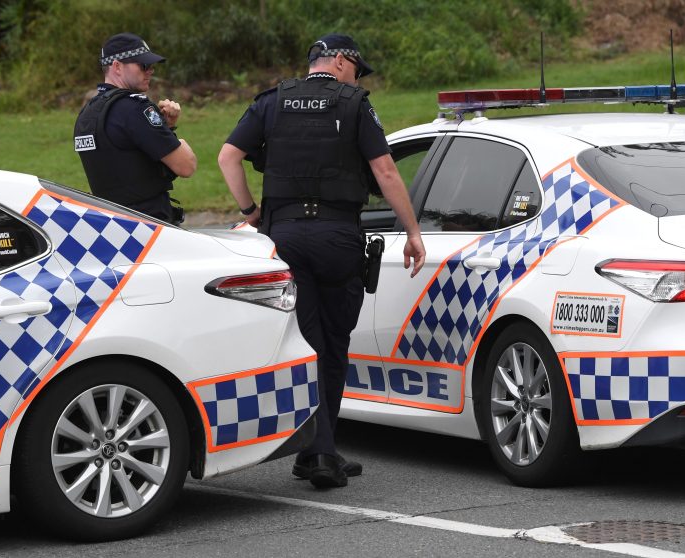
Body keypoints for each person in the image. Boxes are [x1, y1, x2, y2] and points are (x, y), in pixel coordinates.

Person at [217, 34, 426, 489]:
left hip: (285, 236)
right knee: (333, 343)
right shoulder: (354, 103)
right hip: (336, 236)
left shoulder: (272, 102)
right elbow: (385, 171)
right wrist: (412, 232)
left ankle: (315, 450)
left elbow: (228, 157)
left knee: (305, 341)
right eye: (357, 68)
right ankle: (323, 454)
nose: (358, 77)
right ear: (340, 61)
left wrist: (250, 213)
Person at [74, 32, 196, 224]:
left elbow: (124, 163)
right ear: (117, 66)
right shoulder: (135, 109)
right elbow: (186, 166)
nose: (151, 71)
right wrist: (178, 141)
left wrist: (166, 126)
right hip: (149, 229)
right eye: (143, 65)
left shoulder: (87, 113)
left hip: (110, 228)